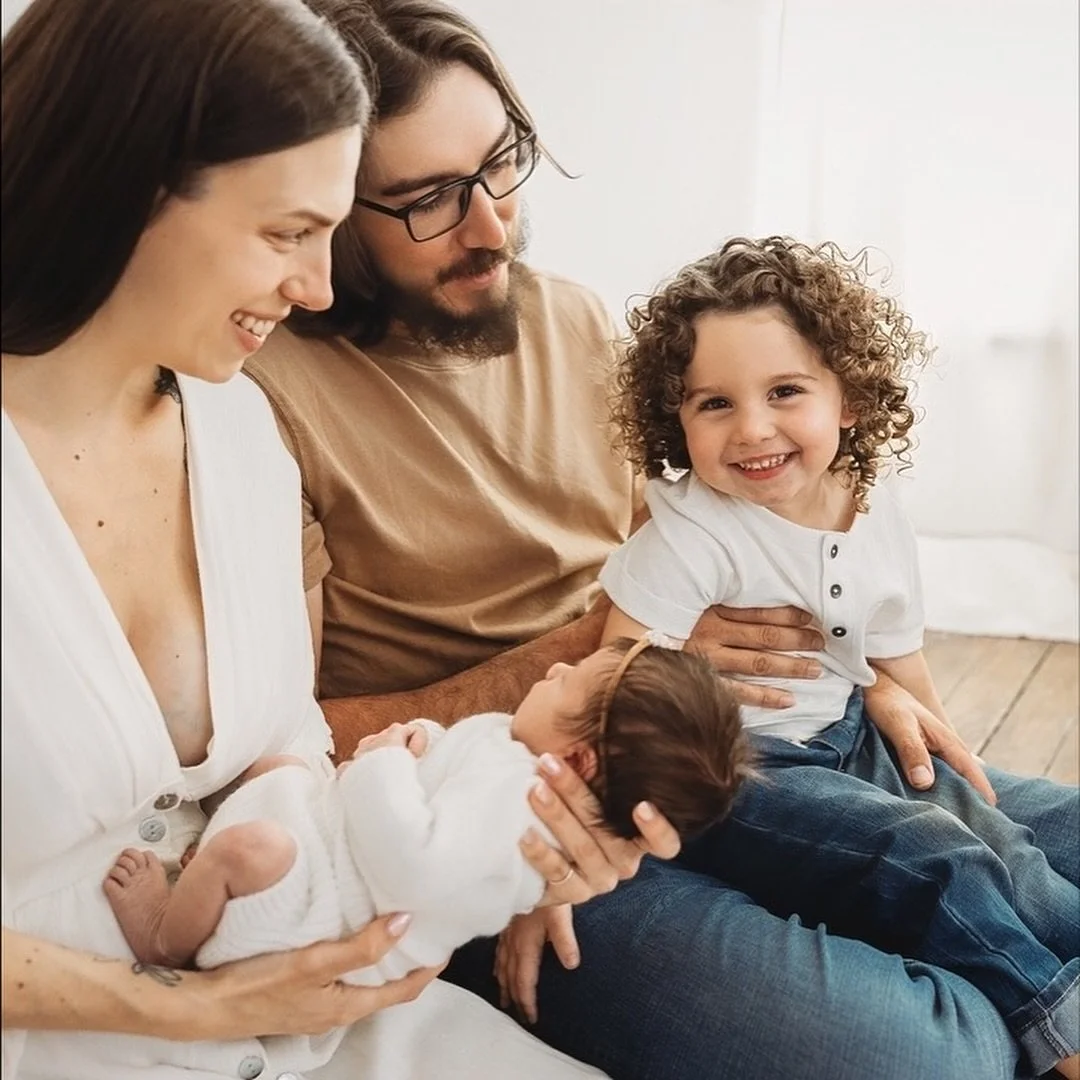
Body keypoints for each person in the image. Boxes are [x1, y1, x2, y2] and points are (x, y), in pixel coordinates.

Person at [241, 2, 1044, 1077]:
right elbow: (290, 747)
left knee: (1028, 884)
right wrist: (606, 664)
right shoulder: (263, 401)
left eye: (501, 165)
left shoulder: (573, 321)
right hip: (502, 820)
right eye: (430, 200)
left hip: (751, 747)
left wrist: (874, 680)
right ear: (335, 212)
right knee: (940, 1054)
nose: (493, 227)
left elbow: (704, 547)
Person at [0, 2, 615, 1078]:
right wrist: (183, 1007)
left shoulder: (234, 426)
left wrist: (495, 835)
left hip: (294, 994)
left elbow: (292, 750)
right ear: (125, 188)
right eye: (287, 232)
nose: (320, 286)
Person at [599, 236, 1080, 1080]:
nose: (753, 428)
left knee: (1001, 841)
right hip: (733, 769)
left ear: (849, 398)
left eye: (785, 391)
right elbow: (615, 671)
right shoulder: (691, 528)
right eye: (714, 403)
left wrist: (955, 777)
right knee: (929, 857)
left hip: (849, 735)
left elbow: (904, 669)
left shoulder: (874, 510)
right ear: (676, 417)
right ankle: (1058, 1034)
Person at [103, 636, 747, 1028]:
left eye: (568, 682)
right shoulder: (518, 757)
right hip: (337, 849)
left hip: (328, 918)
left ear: (577, 761)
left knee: (253, 849)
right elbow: (455, 764)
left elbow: (413, 867)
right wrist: (420, 740)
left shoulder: (519, 808)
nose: (553, 670)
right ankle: (210, 882)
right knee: (278, 771)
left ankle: (166, 938)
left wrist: (383, 760)